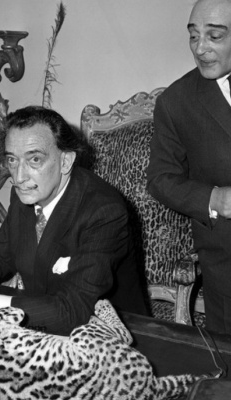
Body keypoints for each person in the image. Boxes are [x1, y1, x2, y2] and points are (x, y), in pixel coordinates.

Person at [0, 106, 147, 336]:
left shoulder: (104, 212)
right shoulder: (29, 191)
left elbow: (72, 310)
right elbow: (2, 254)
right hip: (44, 323)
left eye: (34, 159)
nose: (19, 177)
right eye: (12, 160)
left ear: (65, 162)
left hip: (110, 334)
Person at [147, 0, 231, 334]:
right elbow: (160, 179)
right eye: (194, 36)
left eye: (214, 36)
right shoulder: (176, 102)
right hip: (226, 265)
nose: (200, 48)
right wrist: (215, 199)